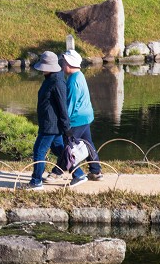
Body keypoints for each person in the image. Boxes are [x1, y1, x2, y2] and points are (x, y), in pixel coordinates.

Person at [22, 50, 70, 190]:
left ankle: (36, 181)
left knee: (39, 151)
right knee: (61, 151)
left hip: (50, 125)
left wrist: (67, 127)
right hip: (49, 124)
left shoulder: (57, 82)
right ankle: (78, 173)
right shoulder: (50, 79)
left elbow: (62, 107)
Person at [59, 48, 103, 185]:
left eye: (63, 62)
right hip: (86, 116)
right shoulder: (80, 75)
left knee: (68, 147)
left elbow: (70, 105)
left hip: (77, 119)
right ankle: (96, 170)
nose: (61, 64)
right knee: (88, 144)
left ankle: (63, 172)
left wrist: (65, 123)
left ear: (68, 63)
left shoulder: (72, 81)